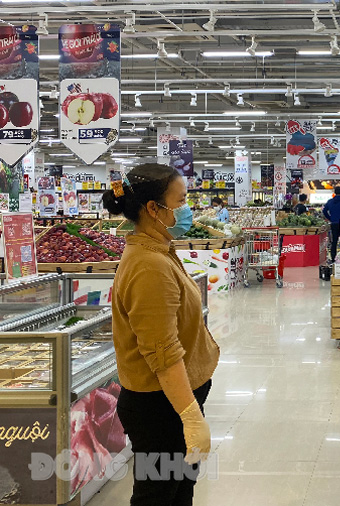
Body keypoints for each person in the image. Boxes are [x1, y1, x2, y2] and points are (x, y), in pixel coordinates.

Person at [102, 164, 220, 506]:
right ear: (154, 209)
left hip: (170, 402)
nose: (187, 209)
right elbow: (162, 351)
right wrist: (190, 416)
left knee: (178, 491)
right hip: (161, 408)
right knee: (157, 496)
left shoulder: (159, 251)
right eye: (181, 201)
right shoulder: (148, 266)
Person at [323, 187, 340, 261]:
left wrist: (330, 218)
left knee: (334, 241)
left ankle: (333, 258)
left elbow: (324, 211)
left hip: (334, 223)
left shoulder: (330, 202)